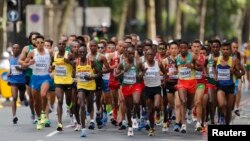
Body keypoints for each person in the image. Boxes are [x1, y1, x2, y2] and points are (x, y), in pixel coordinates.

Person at [24, 35, 53, 130]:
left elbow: (55, 62)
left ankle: (44, 114)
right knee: (36, 102)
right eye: (38, 43)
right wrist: (29, 63)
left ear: (44, 43)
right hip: (35, 78)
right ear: (35, 44)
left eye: (42, 42)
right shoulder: (32, 52)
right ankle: (39, 118)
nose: (40, 44)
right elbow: (25, 64)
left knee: (43, 94)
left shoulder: (49, 52)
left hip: (45, 77)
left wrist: (52, 68)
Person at [73, 47, 101, 137]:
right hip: (81, 86)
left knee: (89, 107)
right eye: (80, 52)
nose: (81, 54)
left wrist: (91, 77)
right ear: (78, 53)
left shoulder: (92, 62)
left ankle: (89, 113)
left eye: (83, 52)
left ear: (86, 52)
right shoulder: (75, 62)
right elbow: (73, 74)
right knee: (81, 105)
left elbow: (99, 73)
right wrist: (74, 76)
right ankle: (84, 129)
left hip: (91, 87)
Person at [115, 46, 143, 136]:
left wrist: (140, 74)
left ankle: (134, 117)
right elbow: (116, 76)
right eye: (129, 54)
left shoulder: (138, 62)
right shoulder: (122, 64)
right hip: (126, 86)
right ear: (126, 54)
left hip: (136, 85)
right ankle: (130, 127)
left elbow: (142, 71)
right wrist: (123, 71)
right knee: (128, 107)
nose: (131, 55)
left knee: (136, 101)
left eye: (133, 54)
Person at [52, 39, 75, 131]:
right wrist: (52, 67)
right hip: (58, 81)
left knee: (68, 102)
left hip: (68, 81)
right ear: (57, 45)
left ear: (65, 46)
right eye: (59, 44)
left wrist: (69, 62)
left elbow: (75, 65)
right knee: (60, 100)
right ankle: (59, 123)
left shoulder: (69, 54)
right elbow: (52, 64)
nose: (61, 45)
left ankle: (70, 111)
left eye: (63, 44)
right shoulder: (54, 54)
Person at [143, 49, 165, 136]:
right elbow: (139, 75)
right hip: (147, 88)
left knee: (156, 106)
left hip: (157, 87)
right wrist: (142, 73)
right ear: (145, 55)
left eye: (151, 55)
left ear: (154, 55)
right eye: (148, 55)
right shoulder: (143, 65)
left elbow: (165, 72)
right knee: (150, 110)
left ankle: (159, 113)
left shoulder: (158, 64)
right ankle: (152, 128)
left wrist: (164, 81)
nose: (150, 56)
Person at [18, 32, 40, 123]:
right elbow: (20, 60)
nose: (35, 40)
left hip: (40, 75)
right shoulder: (27, 48)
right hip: (29, 75)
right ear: (30, 40)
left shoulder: (42, 49)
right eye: (33, 39)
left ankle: (41, 115)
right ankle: (33, 113)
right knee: (32, 97)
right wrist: (26, 64)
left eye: (36, 38)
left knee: (39, 97)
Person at [7, 44, 27, 124]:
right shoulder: (10, 58)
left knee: (21, 98)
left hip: (22, 80)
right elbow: (11, 68)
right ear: (12, 49)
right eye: (14, 48)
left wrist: (20, 68)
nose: (15, 49)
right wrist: (9, 73)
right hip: (13, 80)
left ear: (19, 50)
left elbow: (26, 68)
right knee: (14, 97)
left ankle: (24, 97)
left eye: (17, 48)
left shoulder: (22, 58)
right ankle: (14, 116)